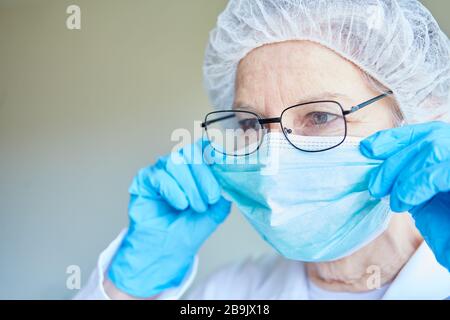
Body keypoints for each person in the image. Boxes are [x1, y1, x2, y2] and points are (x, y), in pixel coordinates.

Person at [76, 0, 450, 300]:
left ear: (416, 118)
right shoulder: (229, 295)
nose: (273, 161)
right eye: (251, 124)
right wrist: (128, 289)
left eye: (320, 116)